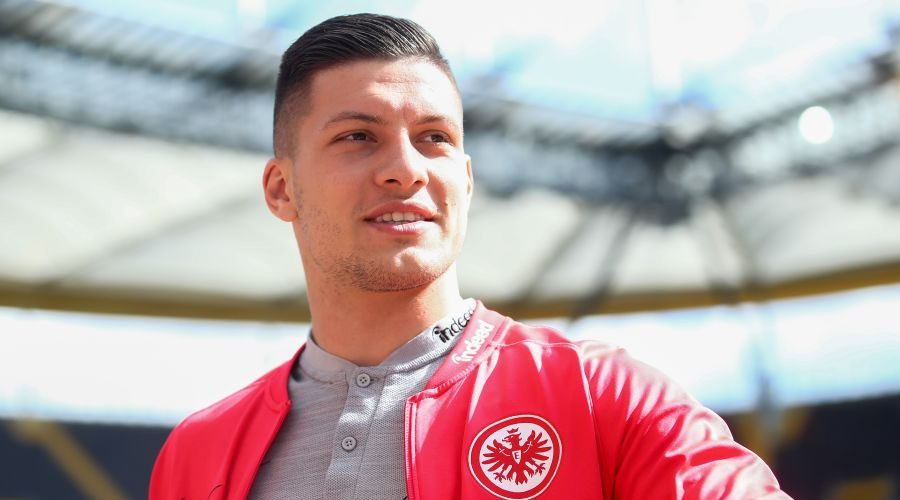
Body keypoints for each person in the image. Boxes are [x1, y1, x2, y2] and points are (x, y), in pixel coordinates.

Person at [150, 13, 791, 500]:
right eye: (357, 136)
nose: (406, 169)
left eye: (434, 137)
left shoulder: (605, 397)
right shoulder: (195, 453)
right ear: (281, 189)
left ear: (466, 178)